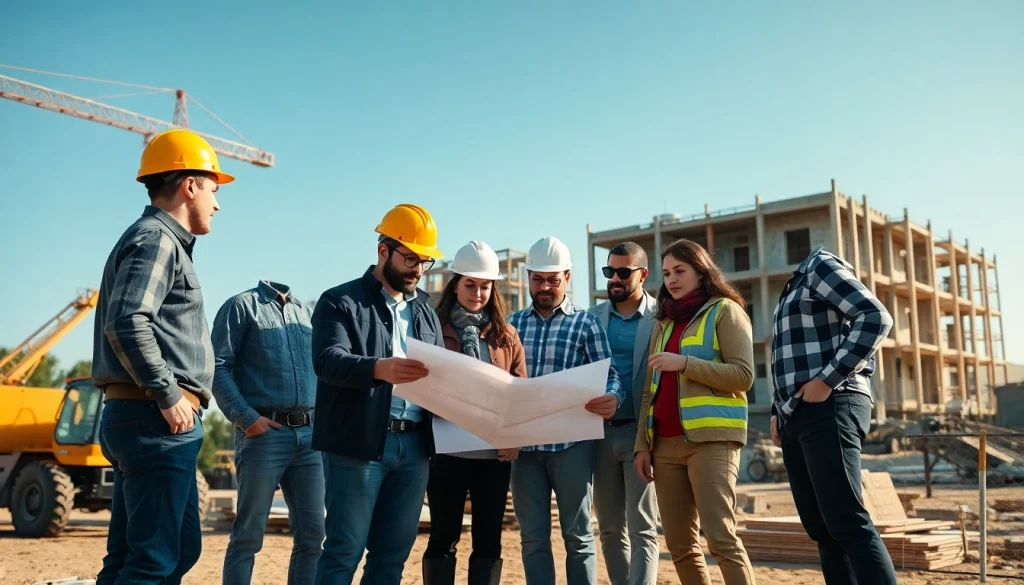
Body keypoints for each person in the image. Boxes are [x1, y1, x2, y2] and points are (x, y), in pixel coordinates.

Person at [92, 128, 233, 585]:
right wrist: (168, 393)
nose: (216, 202)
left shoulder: (157, 241)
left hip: (145, 417)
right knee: (154, 560)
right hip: (155, 418)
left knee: (156, 554)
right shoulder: (157, 239)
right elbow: (127, 320)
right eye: (213, 188)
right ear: (189, 185)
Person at [310, 203, 446, 585]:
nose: (418, 270)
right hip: (358, 445)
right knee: (343, 552)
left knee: (391, 557)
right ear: (383, 251)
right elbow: (327, 360)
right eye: (411, 259)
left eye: (425, 262)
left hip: (415, 449)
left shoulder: (426, 312)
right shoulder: (340, 301)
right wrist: (377, 368)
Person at [769, 247, 896, 585]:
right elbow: (791, 354)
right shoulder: (793, 284)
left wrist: (827, 380)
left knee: (847, 523)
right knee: (823, 529)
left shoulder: (818, 266)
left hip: (832, 403)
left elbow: (875, 318)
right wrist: (776, 409)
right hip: (797, 414)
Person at [632, 238, 757, 585]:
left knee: (720, 538)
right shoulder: (663, 323)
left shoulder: (725, 311)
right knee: (680, 545)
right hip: (665, 446)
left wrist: (685, 363)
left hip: (712, 442)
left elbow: (743, 376)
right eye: (667, 272)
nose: (671, 279)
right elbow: (649, 392)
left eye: (680, 270)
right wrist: (642, 445)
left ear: (701, 272)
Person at [508, 236, 624, 585]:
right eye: (538, 279)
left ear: (568, 278)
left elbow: (610, 375)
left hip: (572, 447)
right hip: (524, 451)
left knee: (578, 536)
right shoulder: (511, 325)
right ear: (528, 277)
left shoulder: (586, 323)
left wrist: (614, 398)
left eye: (553, 280)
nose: (545, 287)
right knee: (532, 539)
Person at [422, 241, 528, 585]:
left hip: (493, 456)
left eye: (485, 286)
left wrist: (513, 437)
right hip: (446, 453)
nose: (478, 292)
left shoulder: (505, 335)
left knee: (488, 539)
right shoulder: (433, 331)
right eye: (470, 284)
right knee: (443, 538)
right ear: (455, 284)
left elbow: (520, 391)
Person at [211, 280, 324, 585]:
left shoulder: (306, 313)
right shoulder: (241, 306)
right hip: (264, 436)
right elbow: (217, 367)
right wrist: (247, 419)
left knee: (313, 535)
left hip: (310, 438)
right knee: (248, 535)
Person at [588, 242, 660, 585]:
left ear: (643, 274)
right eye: (609, 271)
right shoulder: (591, 318)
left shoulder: (660, 318)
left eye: (623, 272)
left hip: (641, 434)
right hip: (598, 434)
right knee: (610, 528)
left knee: (643, 527)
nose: (614, 279)